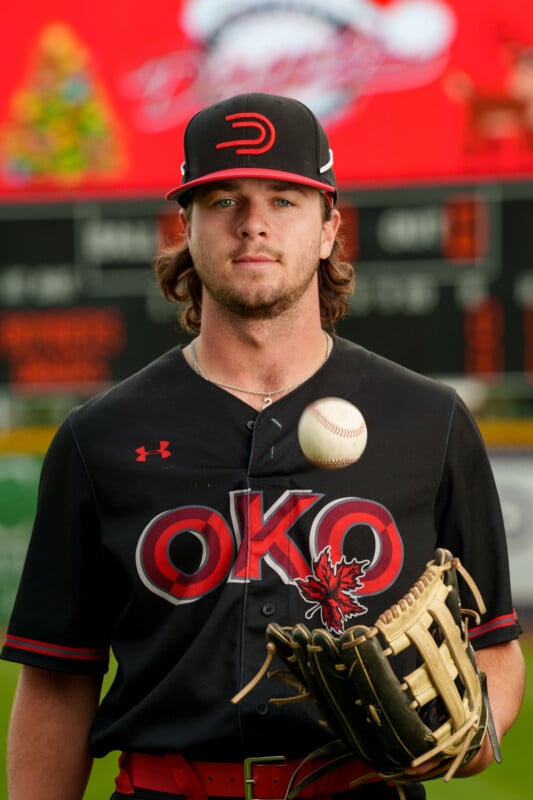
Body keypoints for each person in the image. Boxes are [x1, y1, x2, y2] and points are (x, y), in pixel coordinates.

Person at [1, 92, 525, 800]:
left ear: (327, 228)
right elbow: (57, 680)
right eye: (222, 201)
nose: (252, 224)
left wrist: (475, 732)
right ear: (185, 226)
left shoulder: (427, 421)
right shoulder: (100, 437)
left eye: (284, 199)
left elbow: (493, 643)